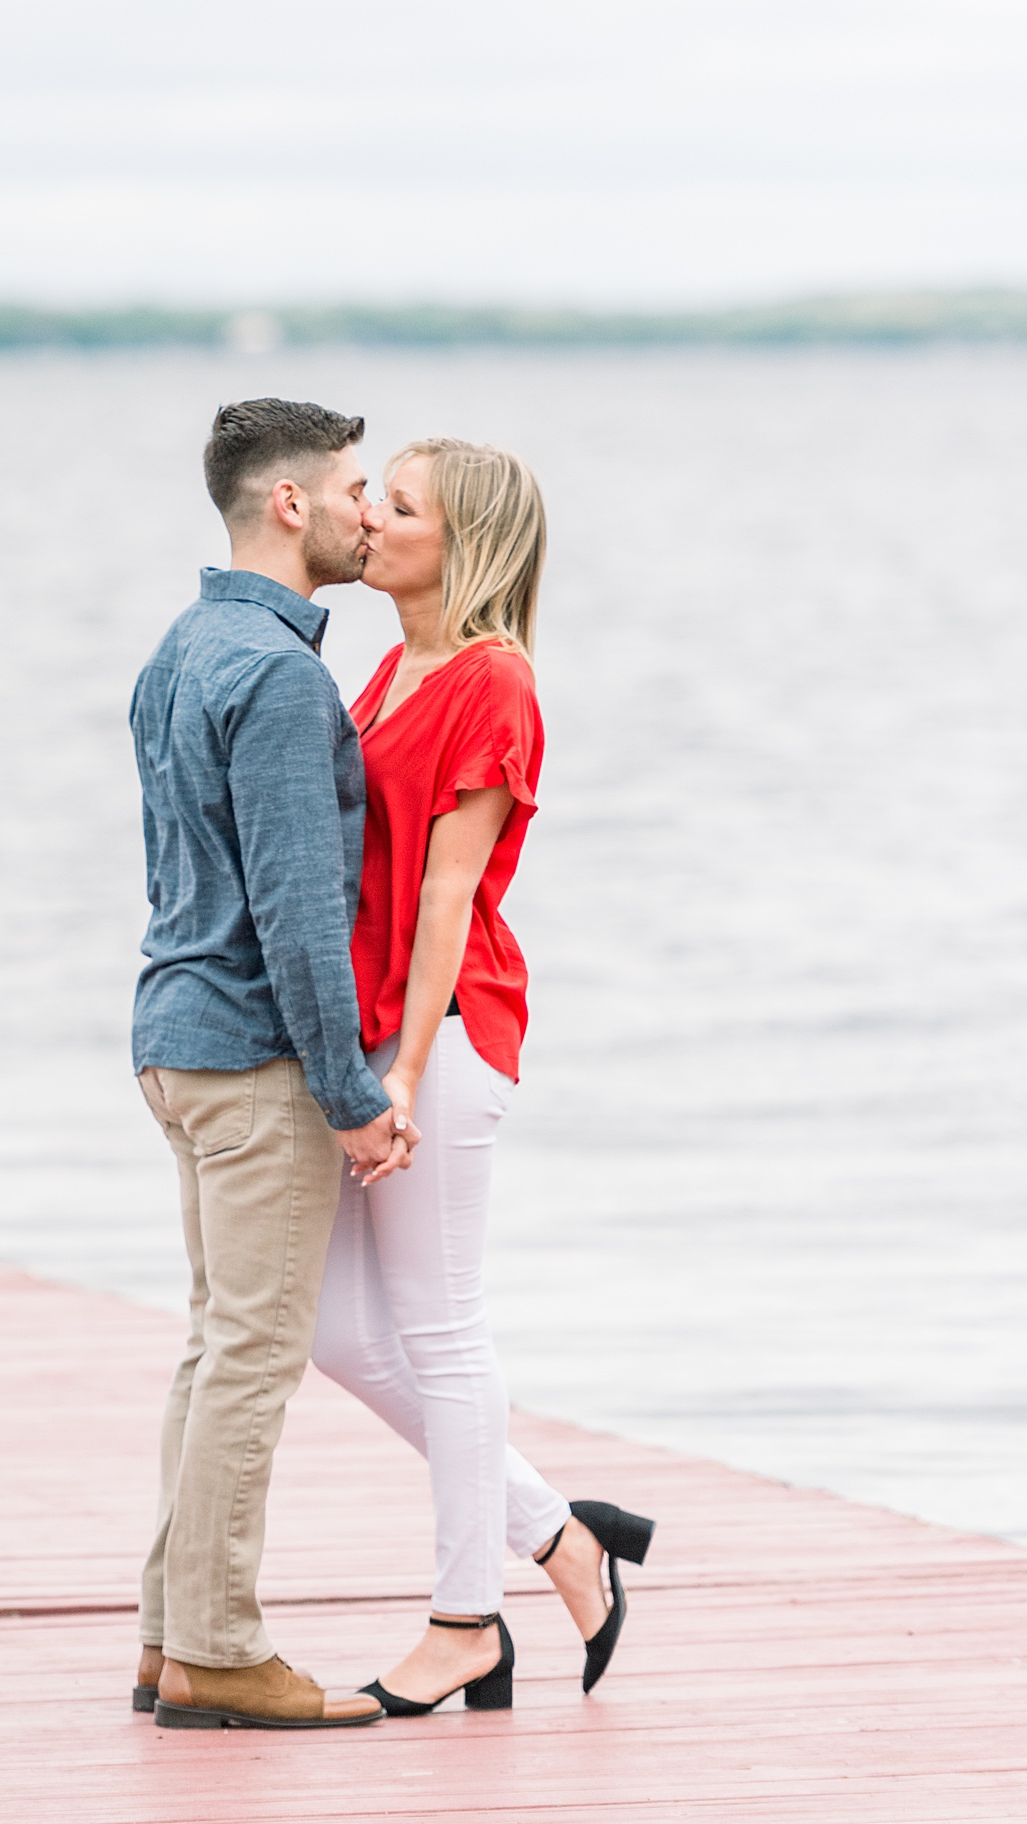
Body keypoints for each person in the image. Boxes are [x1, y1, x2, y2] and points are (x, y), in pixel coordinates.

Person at [310, 437, 656, 1713]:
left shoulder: (494, 683)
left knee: (442, 1329)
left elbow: (447, 892)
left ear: (463, 544)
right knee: (334, 1328)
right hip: (368, 1033)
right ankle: (566, 1540)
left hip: (442, 1032)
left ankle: (468, 1619)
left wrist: (397, 1073)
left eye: (397, 507)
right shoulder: (396, 664)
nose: (370, 518)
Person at [128, 398, 413, 1732]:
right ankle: (221, 1650)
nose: (373, 510)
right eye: (356, 487)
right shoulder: (284, 679)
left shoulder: (181, 648)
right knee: (248, 1358)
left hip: (175, 1041)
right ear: (287, 504)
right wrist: (353, 1096)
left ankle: (169, 1640)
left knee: (212, 1351)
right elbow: (299, 919)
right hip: (251, 1057)